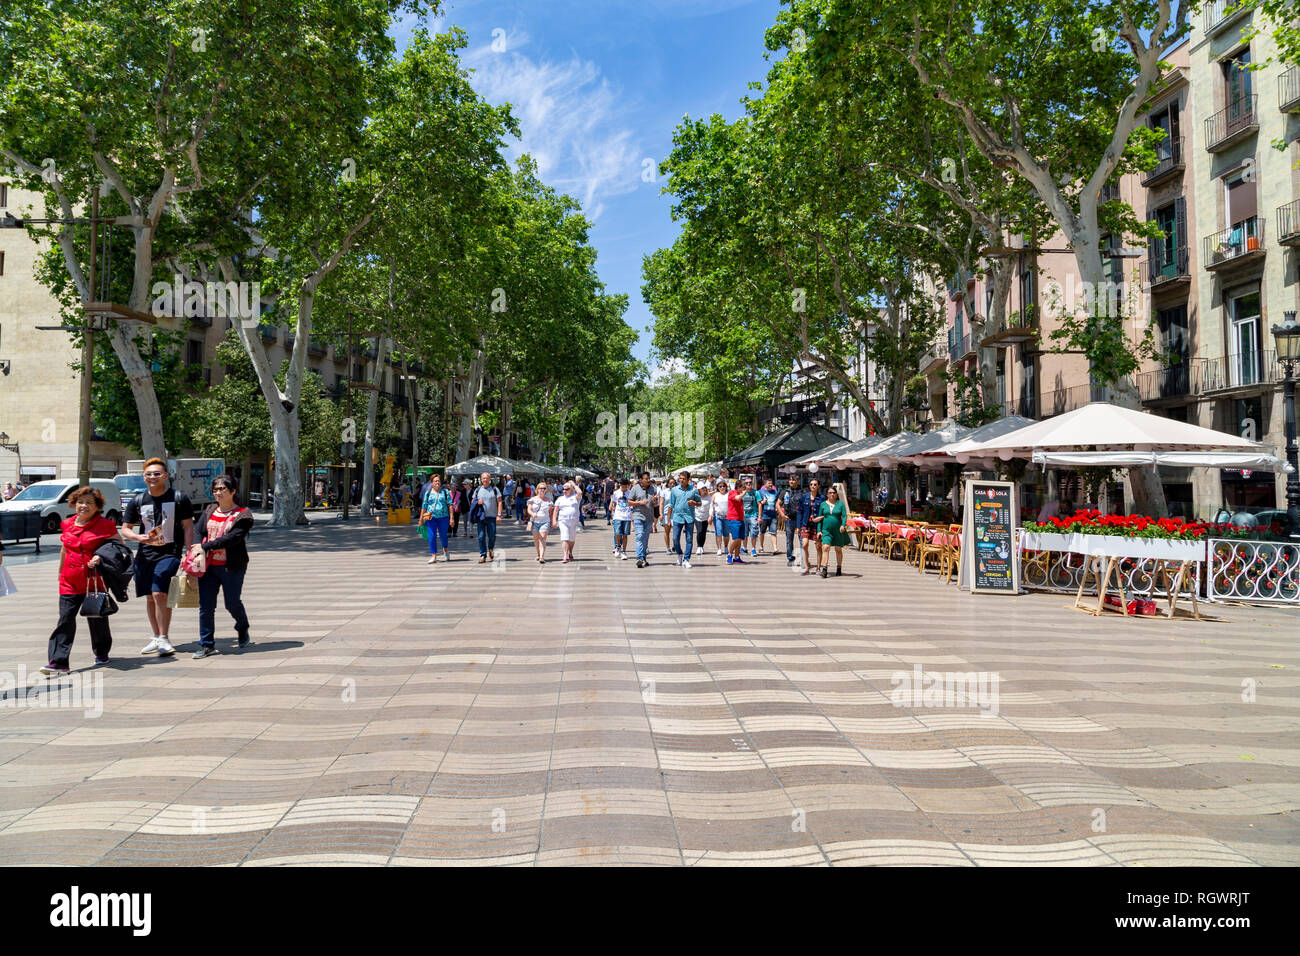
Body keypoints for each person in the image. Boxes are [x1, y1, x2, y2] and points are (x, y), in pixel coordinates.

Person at [40, 486, 120, 674]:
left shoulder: (105, 525)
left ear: (97, 506)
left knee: (96, 617)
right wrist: (60, 573)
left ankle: (101, 652)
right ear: (74, 503)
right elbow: (64, 549)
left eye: (88, 503)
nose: (83, 506)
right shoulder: (67, 524)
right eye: (80, 502)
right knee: (65, 619)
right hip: (69, 580)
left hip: (94, 579)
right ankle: (58, 662)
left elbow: (118, 548)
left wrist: (101, 556)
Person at [121, 458, 194, 658]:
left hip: (170, 552)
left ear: (166, 476)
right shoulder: (138, 500)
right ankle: (155, 636)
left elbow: (188, 526)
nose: (152, 477)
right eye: (148, 474)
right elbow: (125, 529)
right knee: (149, 597)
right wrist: (137, 537)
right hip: (145, 554)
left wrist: (189, 551)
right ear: (143, 477)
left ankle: (164, 637)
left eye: (157, 473)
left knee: (159, 593)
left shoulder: (179, 498)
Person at [189, 475, 254, 658]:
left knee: (232, 603)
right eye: (215, 489)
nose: (218, 493)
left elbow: (232, 538)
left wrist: (205, 546)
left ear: (233, 491)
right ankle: (206, 644)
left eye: (222, 489)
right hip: (208, 566)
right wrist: (196, 548)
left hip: (232, 566)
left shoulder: (244, 514)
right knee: (206, 606)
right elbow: (198, 531)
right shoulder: (209, 510)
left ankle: (242, 627)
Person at [665, 470, 702, 568]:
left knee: (689, 539)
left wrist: (694, 503)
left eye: (683, 479)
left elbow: (700, 503)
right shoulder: (674, 490)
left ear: (688, 480)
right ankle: (679, 554)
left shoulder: (693, 490)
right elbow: (671, 505)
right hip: (677, 517)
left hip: (689, 517)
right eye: (680, 478)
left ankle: (686, 559)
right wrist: (668, 520)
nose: (681, 480)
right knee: (675, 538)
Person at [817, 485, 850, 577]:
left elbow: (844, 516)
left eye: (833, 493)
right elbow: (820, 519)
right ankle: (824, 569)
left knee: (838, 549)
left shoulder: (840, 504)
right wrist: (819, 530)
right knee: (825, 547)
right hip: (826, 530)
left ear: (836, 494)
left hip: (838, 530)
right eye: (830, 493)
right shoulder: (823, 504)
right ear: (827, 494)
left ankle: (839, 567)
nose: (832, 494)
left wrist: (843, 525)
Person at [420, 473, 453, 563]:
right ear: (431, 483)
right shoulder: (428, 493)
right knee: (432, 536)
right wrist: (421, 519)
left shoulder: (445, 492)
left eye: (438, 481)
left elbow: (450, 505)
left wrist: (452, 518)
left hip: (444, 517)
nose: (437, 482)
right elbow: (424, 506)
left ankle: (445, 550)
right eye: (435, 481)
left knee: (443, 536)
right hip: (431, 518)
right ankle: (433, 555)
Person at [797, 479, 826, 576]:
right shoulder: (804, 497)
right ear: (809, 486)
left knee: (818, 546)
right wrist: (798, 526)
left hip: (817, 525)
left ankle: (818, 568)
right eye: (811, 484)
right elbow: (800, 512)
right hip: (806, 524)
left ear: (818, 486)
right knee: (804, 544)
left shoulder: (822, 498)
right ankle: (806, 568)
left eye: (815, 484)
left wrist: (820, 519)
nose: (813, 486)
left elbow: (825, 512)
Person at [473, 472, 503, 563]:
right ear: (481, 479)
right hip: (481, 517)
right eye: (483, 478)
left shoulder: (494, 489)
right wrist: (477, 502)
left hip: (492, 517)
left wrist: (499, 515)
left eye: (487, 478)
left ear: (490, 479)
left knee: (492, 536)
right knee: (481, 536)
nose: (485, 480)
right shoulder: (478, 490)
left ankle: (490, 548)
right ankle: (483, 555)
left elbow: (500, 502)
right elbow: (472, 502)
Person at [627, 472, 655, 568]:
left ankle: (643, 558)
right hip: (638, 515)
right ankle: (639, 558)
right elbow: (629, 502)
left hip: (649, 517)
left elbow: (655, 504)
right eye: (646, 478)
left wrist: (655, 501)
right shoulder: (635, 488)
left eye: (649, 478)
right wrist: (639, 502)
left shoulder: (652, 489)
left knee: (645, 538)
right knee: (639, 536)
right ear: (641, 480)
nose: (648, 480)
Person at [552, 481, 583, 563]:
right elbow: (555, 510)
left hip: (573, 521)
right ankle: (565, 555)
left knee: (571, 539)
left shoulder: (575, 497)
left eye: (567, 489)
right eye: (563, 489)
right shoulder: (560, 499)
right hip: (563, 520)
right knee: (565, 537)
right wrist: (554, 520)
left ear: (571, 489)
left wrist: (574, 484)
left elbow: (580, 492)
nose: (564, 491)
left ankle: (570, 552)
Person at [777, 474, 802, 569]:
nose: (791, 481)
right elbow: (777, 504)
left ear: (797, 481)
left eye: (794, 480)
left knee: (802, 540)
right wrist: (782, 515)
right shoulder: (785, 492)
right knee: (789, 540)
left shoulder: (802, 492)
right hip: (789, 518)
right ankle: (790, 558)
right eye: (790, 480)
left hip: (800, 519)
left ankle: (802, 558)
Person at [528, 480, 553, 563]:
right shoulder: (532, 499)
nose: (542, 490)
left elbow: (550, 512)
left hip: (545, 521)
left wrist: (552, 522)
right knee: (536, 539)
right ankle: (538, 554)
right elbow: (529, 509)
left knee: (542, 538)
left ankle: (542, 556)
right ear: (537, 489)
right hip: (535, 522)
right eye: (540, 488)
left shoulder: (548, 500)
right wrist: (532, 514)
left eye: (544, 488)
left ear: (546, 490)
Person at [725, 480, 747, 565]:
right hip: (733, 519)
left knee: (740, 539)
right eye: (743, 487)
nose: (744, 489)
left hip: (740, 518)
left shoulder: (739, 493)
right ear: (739, 487)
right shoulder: (732, 492)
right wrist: (743, 494)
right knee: (735, 538)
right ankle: (729, 555)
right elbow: (737, 498)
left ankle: (737, 557)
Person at [610, 476, 633, 559]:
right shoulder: (616, 493)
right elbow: (614, 503)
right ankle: (618, 547)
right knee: (617, 533)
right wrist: (612, 512)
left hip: (627, 516)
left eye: (625, 486)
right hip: (618, 516)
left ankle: (624, 551)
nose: (623, 488)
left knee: (625, 534)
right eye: (622, 486)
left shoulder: (630, 493)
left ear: (627, 486)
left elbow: (632, 504)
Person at [758, 479, 779, 554]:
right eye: (769, 483)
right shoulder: (760, 492)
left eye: (771, 483)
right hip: (764, 515)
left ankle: (775, 548)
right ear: (765, 484)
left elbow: (777, 501)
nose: (770, 485)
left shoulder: (775, 492)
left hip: (773, 515)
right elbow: (758, 503)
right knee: (762, 532)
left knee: (773, 532)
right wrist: (762, 503)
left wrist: (777, 508)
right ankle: (761, 546)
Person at [741, 477, 760, 557]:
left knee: (754, 533)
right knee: (744, 534)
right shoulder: (742, 493)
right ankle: (744, 548)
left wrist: (760, 516)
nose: (748, 484)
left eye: (750, 482)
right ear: (744, 484)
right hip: (744, 516)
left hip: (753, 515)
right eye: (746, 483)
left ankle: (753, 549)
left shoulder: (756, 492)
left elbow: (760, 504)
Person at [693, 478, 712, 555]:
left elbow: (711, 507)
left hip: (706, 516)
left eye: (704, 488)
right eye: (702, 488)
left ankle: (701, 546)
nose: (704, 490)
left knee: (703, 532)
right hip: (697, 516)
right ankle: (698, 546)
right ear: (699, 490)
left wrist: (711, 515)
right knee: (699, 531)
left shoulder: (709, 497)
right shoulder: (696, 497)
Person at [709, 480, 729, 556]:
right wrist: (711, 515)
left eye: (724, 486)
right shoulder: (715, 495)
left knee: (726, 534)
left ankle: (726, 547)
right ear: (717, 487)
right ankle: (719, 548)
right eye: (720, 486)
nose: (722, 488)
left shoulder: (728, 494)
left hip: (727, 517)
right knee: (718, 532)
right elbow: (711, 506)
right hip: (718, 516)